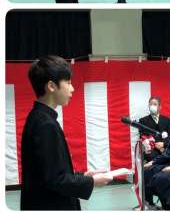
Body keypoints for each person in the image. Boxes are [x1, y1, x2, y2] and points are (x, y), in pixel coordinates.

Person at [20, 56, 111, 210]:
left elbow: (50, 170)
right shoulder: (45, 124)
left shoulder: (38, 117)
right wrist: (92, 182)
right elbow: (55, 179)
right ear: (51, 86)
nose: (72, 88)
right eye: (68, 83)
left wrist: (82, 177)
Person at [144, 106, 170, 208]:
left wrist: (155, 161)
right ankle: (149, 201)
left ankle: (166, 206)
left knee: (157, 175)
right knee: (148, 171)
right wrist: (154, 161)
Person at [138, 96, 170, 162]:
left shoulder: (167, 120)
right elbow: (143, 137)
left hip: (165, 148)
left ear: (160, 107)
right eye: (150, 105)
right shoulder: (143, 120)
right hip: (151, 150)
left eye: (155, 104)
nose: (152, 106)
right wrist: (155, 145)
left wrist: (163, 144)